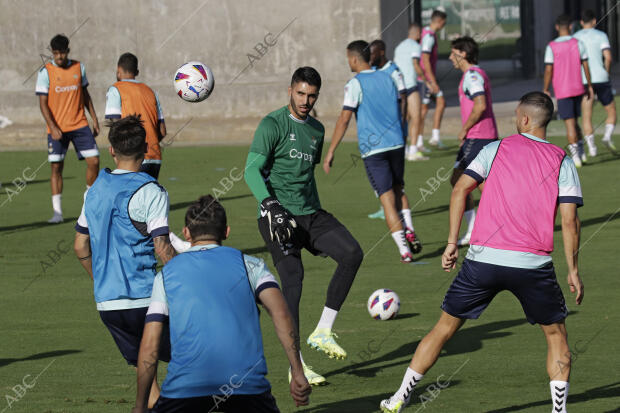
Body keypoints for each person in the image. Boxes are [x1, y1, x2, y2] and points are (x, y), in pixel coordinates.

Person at [380, 92, 584, 413]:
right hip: (532, 264)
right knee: (556, 334)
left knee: (444, 329)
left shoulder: (496, 147)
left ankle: (398, 398)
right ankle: (559, 411)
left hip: (483, 261)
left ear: (525, 119)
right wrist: (573, 270)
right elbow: (570, 221)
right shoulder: (563, 160)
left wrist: (451, 242)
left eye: (517, 114)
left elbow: (461, 188)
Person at [132, 195, 311, 413]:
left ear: (186, 233)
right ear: (226, 231)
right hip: (248, 392)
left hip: (183, 393)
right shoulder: (252, 266)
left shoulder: (166, 275)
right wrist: (298, 371)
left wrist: (140, 406)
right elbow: (281, 313)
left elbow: (149, 346)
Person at [244, 67, 364, 385]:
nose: (305, 100)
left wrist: (314, 225)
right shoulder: (272, 124)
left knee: (352, 253)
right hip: (276, 215)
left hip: (310, 213)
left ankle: (324, 330)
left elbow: (305, 175)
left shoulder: (317, 130)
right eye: (300, 93)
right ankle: (296, 365)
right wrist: (270, 205)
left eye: (311, 95)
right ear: (290, 91)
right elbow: (251, 170)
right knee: (293, 283)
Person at [73, 115, 176, 409]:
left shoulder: (93, 190)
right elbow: (162, 248)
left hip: (108, 305)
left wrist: (101, 278)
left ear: (112, 151)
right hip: (146, 301)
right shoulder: (151, 191)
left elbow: (80, 244)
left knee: (147, 377)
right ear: (146, 149)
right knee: (199, 357)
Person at [324, 40, 422, 263]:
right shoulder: (388, 76)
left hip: (374, 150)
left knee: (387, 200)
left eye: (348, 58)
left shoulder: (355, 84)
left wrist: (331, 151)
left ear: (355, 59)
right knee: (399, 190)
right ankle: (410, 228)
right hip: (397, 143)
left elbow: (344, 119)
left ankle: (404, 251)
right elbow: (401, 102)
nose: (348, 62)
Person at [36, 34, 100, 223]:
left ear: (67, 51)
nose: (59, 57)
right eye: (55, 53)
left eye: (62, 53)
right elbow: (43, 104)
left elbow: (85, 95)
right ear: (52, 54)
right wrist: (53, 126)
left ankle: (87, 205)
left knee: (94, 161)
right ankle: (57, 213)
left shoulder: (78, 68)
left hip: (79, 124)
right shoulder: (45, 72)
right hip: (57, 128)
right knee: (56, 167)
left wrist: (94, 119)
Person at [448, 36, 498, 246]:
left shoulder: (472, 76)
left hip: (479, 138)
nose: (450, 57)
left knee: (481, 186)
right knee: (459, 181)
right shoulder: (473, 74)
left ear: (463, 54)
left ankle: (499, 225)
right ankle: (475, 228)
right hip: (475, 138)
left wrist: (465, 129)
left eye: (453, 53)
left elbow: (480, 104)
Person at [105, 53, 167, 179]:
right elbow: (163, 131)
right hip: (154, 156)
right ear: (137, 71)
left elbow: (115, 124)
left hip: (130, 157)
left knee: (129, 197)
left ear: (118, 70)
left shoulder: (116, 89)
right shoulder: (150, 91)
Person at [543, 14, 594, 167]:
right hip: (578, 88)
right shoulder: (578, 43)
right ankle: (581, 150)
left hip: (563, 90)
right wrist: (589, 85)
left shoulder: (551, 46)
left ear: (557, 27)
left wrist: (545, 88)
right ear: (571, 27)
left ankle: (576, 157)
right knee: (575, 121)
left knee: (569, 123)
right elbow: (585, 65)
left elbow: (548, 70)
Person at [368, 39, 408, 221]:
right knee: (378, 173)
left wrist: (401, 122)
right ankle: (385, 206)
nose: (370, 57)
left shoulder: (394, 71)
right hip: (376, 131)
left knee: (394, 177)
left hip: (394, 132)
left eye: (373, 53)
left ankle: (395, 209)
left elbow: (403, 97)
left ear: (382, 52)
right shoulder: (373, 72)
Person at [574, 9, 617, 154]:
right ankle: (606, 136)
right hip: (601, 78)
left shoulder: (575, 37)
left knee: (587, 115)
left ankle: (592, 147)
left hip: (584, 79)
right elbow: (608, 57)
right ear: (594, 21)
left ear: (581, 22)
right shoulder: (601, 35)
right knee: (611, 111)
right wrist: (606, 72)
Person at [393, 23, 430, 161]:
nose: (421, 36)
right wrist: (427, 81)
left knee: (405, 119)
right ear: (417, 33)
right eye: (420, 34)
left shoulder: (399, 47)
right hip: (411, 86)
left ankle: (404, 149)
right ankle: (413, 151)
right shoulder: (416, 46)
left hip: (399, 87)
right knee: (416, 117)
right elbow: (416, 64)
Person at [419, 10, 447, 149]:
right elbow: (425, 59)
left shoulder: (427, 33)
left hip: (427, 78)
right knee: (423, 109)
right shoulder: (429, 37)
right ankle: (419, 142)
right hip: (426, 79)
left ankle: (434, 137)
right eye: (444, 22)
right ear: (440, 21)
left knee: (439, 103)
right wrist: (432, 81)